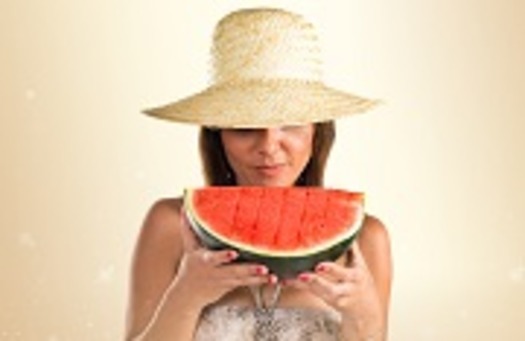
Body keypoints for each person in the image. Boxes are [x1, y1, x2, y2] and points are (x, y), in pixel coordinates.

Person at [125, 7, 392, 341]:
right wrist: (186, 296)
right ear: (218, 135)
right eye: (246, 128)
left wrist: (365, 315)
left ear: (317, 131)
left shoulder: (367, 240)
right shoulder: (169, 225)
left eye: (290, 123)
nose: (268, 145)